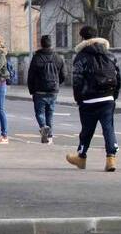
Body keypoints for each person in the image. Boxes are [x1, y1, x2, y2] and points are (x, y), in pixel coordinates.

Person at [66, 26, 120, 172]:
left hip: (88, 99)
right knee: (108, 128)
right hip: (108, 98)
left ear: (82, 38)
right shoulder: (110, 55)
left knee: (87, 130)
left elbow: (77, 80)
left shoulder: (81, 57)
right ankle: (111, 159)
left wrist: (79, 99)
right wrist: (114, 96)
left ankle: (81, 157)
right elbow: (117, 77)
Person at [27, 34, 66, 144]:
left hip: (39, 91)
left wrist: (31, 89)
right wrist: (57, 84)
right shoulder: (58, 57)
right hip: (53, 90)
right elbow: (64, 74)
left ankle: (43, 127)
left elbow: (31, 75)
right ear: (51, 43)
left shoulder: (37, 57)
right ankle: (49, 136)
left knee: (40, 113)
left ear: (41, 44)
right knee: (50, 113)